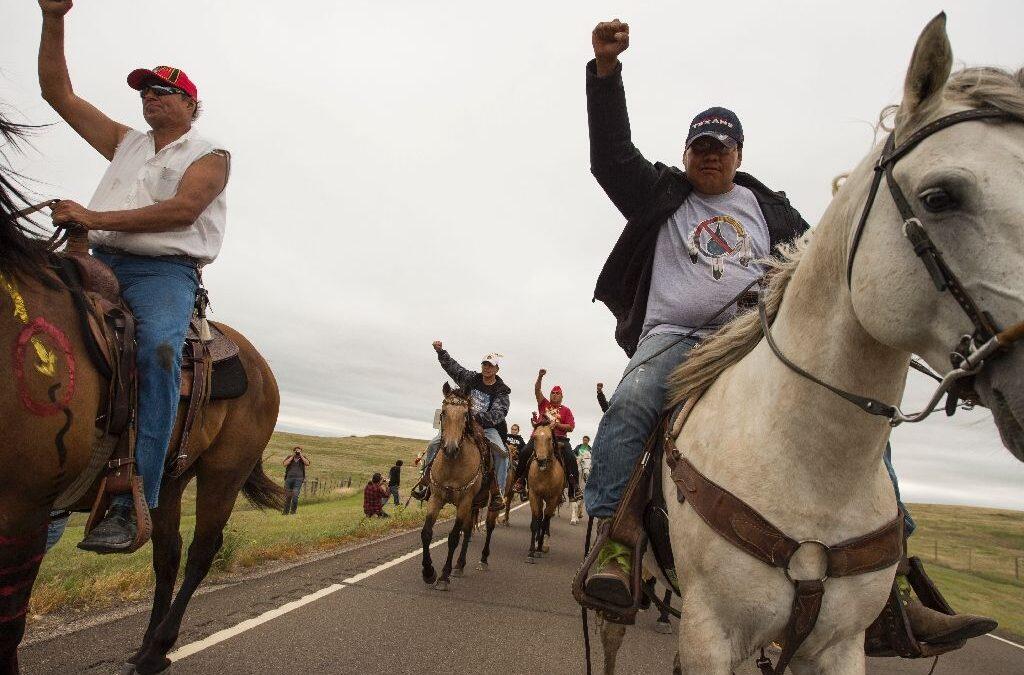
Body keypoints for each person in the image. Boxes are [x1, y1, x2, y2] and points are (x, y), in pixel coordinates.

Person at [580, 19, 994, 643]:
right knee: (635, 400)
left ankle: (892, 586)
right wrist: (606, 73)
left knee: (862, 419)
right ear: (686, 153)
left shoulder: (771, 209)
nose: (710, 155)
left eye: (721, 146)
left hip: (758, 340)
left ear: (740, 154)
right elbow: (609, 154)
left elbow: (823, 267)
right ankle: (616, 542)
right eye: (700, 147)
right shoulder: (659, 192)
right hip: (679, 337)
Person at [38, 0, 231, 553]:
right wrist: (54, 19)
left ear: (191, 105)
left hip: (162, 271)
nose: (150, 96)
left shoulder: (210, 153)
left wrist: (92, 217)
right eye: (145, 90)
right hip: (96, 255)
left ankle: (132, 493)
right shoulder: (125, 142)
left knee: (159, 352)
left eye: (163, 90)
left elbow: (183, 212)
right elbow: (60, 95)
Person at [413, 342, 511, 509]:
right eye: (485, 364)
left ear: (496, 369)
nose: (487, 368)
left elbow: (499, 413)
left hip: (486, 427)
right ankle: (426, 482)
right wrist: (440, 352)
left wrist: (477, 418)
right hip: (461, 422)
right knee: (433, 444)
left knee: (502, 454)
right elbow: (453, 367)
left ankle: (498, 494)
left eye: (491, 366)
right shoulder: (471, 378)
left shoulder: (501, 390)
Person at [511, 370, 580, 500]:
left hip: (560, 439)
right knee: (525, 452)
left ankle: (574, 488)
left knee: (570, 458)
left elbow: (571, 427)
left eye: (557, 393)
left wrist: (557, 425)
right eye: (552, 393)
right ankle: (520, 481)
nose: (554, 395)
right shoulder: (544, 404)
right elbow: (537, 389)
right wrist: (540, 376)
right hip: (539, 437)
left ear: (561, 396)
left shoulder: (566, 410)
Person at [282, 447, 309, 515]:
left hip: (298, 479)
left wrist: (301, 455)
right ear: (293, 451)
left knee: (295, 496)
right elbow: (285, 464)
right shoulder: (289, 457)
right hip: (289, 479)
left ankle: (293, 512)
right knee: (288, 496)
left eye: (299, 451)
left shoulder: (303, 458)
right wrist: (292, 456)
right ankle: (285, 512)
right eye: (296, 451)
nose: (297, 452)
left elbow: (307, 463)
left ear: (301, 451)